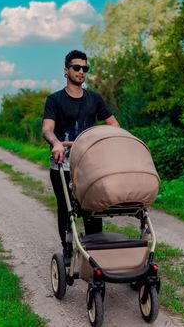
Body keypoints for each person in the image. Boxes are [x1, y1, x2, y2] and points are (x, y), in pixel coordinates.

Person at [42, 49, 119, 257]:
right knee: (67, 209)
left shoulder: (95, 99)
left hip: (90, 164)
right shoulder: (55, 100)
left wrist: (113, 141)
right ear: (66, 71)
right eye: (77, 67)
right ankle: (67, 248)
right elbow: (47, 129)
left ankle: (93, 253)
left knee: (93, 208)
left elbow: (114, 125)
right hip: (63, 164)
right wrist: (57, 143)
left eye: (85, 68)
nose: (81, 71)